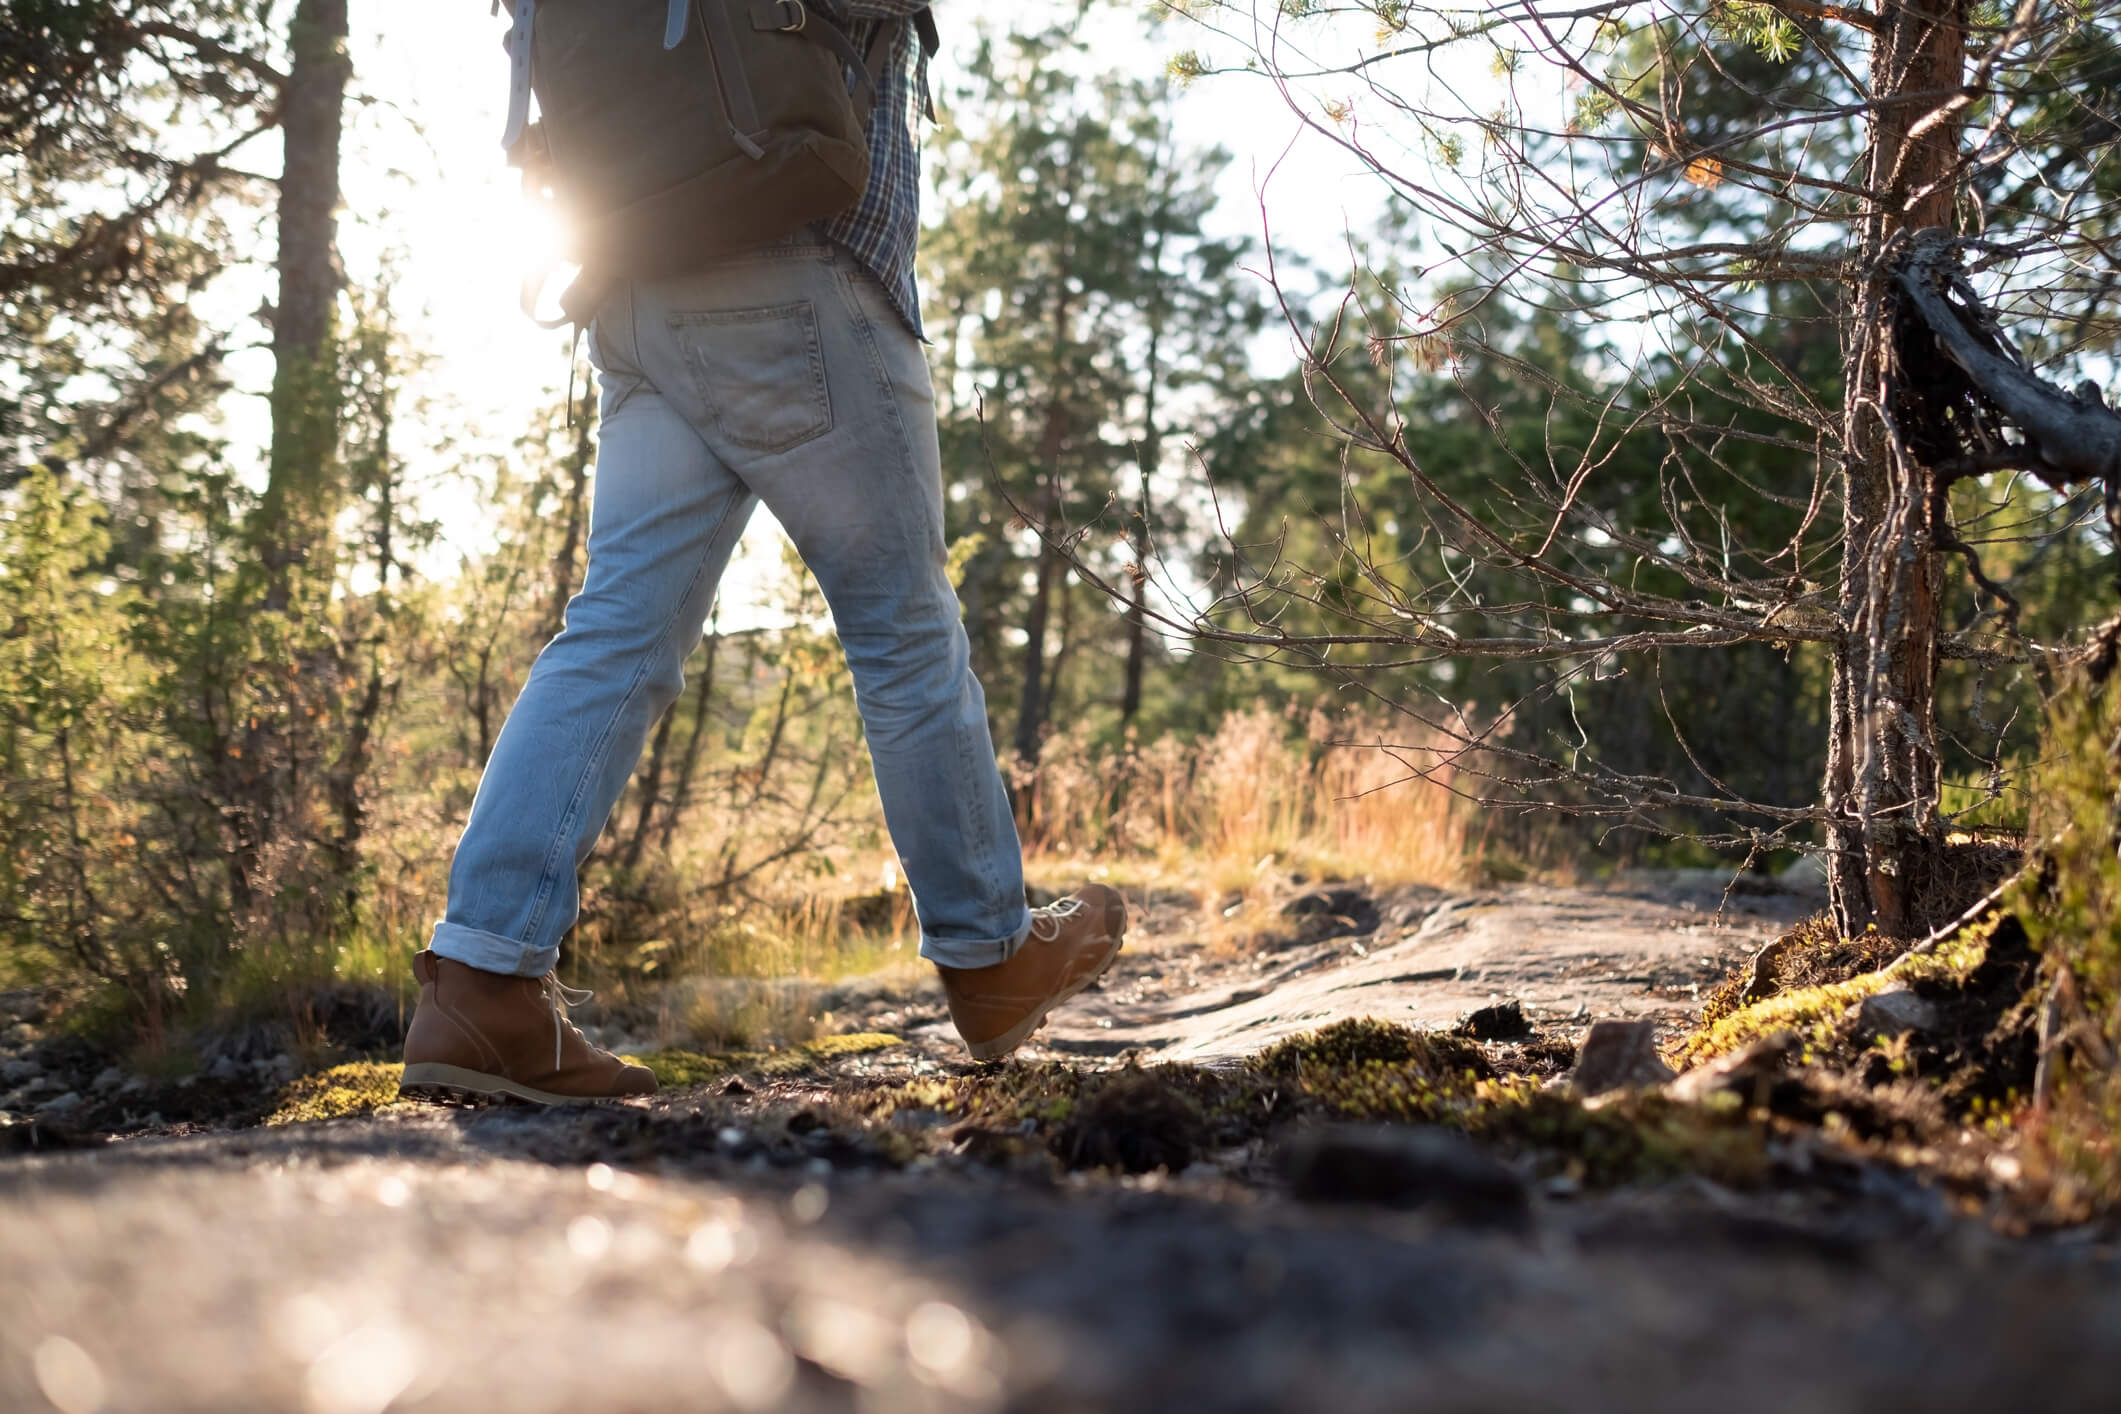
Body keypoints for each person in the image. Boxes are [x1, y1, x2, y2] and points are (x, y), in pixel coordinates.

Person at [399, 1, 1125, 1106]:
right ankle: (990, 955)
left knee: (614, 636)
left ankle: (481, 981)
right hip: (796, 266)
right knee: (904, 630)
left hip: (635, 286)